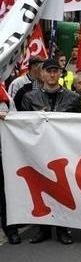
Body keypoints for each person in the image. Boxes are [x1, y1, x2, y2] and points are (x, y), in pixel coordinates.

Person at [21, 59, 81, 245]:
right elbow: (22, 124)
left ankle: (63, 228)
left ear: (60, 73)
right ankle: (44, 229)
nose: (53, 74)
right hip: (39, 151)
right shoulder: (30, 98)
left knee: (63, 189)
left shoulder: (73, 98)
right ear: (42, 74)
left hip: (63, 151)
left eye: (56, 71)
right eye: (49, 71)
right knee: (42, 188)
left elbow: (80, 126)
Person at [0, 87, 19, 244]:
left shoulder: (4, 96)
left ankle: (9, 228)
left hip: (4, 150)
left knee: (5, 192)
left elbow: (15, 118)